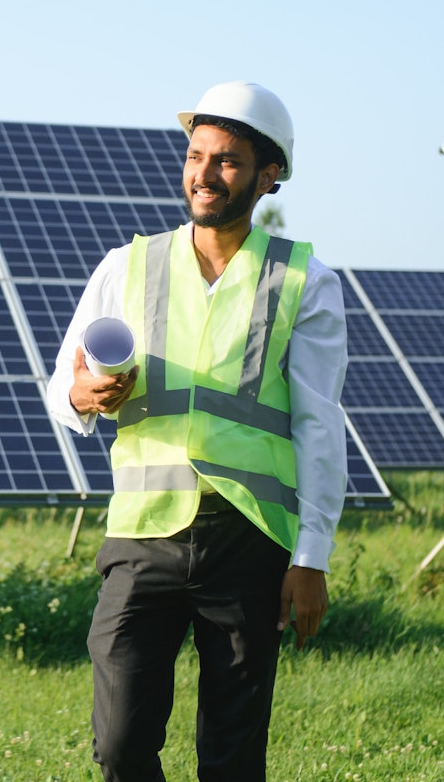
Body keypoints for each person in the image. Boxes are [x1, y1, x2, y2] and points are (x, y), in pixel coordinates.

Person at [45, 81, 348, 781]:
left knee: (232, 756)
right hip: (142, 535)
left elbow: (318, 427)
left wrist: (312, 556)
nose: (203, 175)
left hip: (247, 540)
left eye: (227, 161)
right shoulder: (128, 266)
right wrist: (82, 394)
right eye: (195, 155)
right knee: (119, 744)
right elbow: (61, 388)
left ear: (268, 175)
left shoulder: (304, 283)